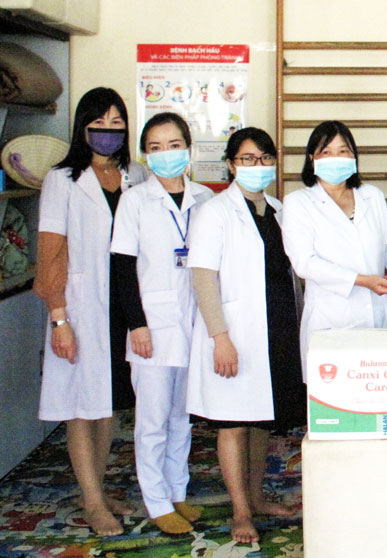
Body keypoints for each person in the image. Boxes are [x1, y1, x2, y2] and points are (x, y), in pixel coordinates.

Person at [34, 87, 147, 535]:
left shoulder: (137, 175)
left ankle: (95, 488)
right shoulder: (62, 179)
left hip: (125, 304)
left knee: (109, 402)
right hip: (81, 306)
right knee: (81, 405)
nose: (108, 130)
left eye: (117, 122)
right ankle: (93, 502)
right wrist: (59, 318)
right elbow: (50, 253)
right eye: (99, 122)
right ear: (82, 127)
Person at [186, 127, 307, 543]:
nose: (258, 166)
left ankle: (256, 497)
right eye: (248, 159)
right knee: (233, 423)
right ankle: (240, 510)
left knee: (260, 421)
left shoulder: (278, 210)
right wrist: (220, 336)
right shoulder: (215, 211)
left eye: (265, 158)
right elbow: (203, 277)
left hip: (276, 328)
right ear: (231, 164)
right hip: (234, 331)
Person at [110, 112, 213, 534]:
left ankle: (177, 491)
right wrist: (136, 325)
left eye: (174, 145)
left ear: (188, 149)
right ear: (145, 155)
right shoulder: (134, 200)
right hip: (152, 325)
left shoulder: (205, 198)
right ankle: (156, 501)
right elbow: (122, 269)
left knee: (181, 417)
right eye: (155, 148)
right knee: (152, 421)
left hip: (195, 322)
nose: (166, 154)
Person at [281, 120, 387, 376]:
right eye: (326, 152)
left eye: (343, 151)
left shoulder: (372, 195)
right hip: (330, 321)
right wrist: (362, 280)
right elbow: (304, 263)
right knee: (335, 395)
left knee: (376, 388)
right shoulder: (298, 202)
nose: (336, 158)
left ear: (354, 156)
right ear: (311, 158)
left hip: (377, 317)